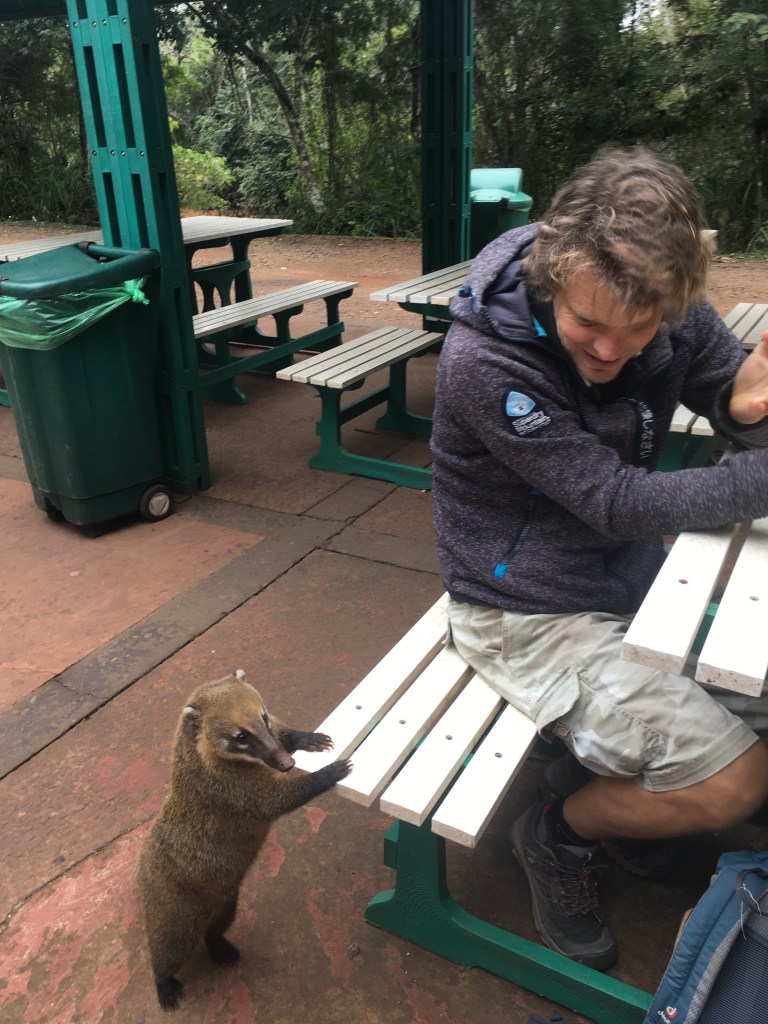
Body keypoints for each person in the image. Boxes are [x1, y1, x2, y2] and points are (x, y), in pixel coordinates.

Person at [430, 146, 768, 971]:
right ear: (550, 279)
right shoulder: (487, 364)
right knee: (735, 784)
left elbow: (728, 390)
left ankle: (630, 804)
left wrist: (749, 413)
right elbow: (615, 499)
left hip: (629, 577)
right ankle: (557, 831)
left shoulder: (666, 301)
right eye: (587, 326)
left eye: (639, 329)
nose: (612, 351)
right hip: (523, 614)